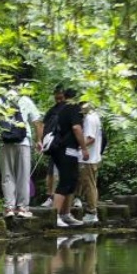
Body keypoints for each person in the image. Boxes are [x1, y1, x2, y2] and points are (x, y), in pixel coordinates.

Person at [0, 83, 43, 218]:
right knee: (23, 176)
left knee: (7, 176)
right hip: (23, 142)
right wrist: (38, 140)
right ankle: (22, 208)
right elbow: (37, 122)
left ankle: (9, 208)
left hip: (5, 143)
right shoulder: (25, 100)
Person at [54, 88, 88, 228]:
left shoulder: (59, 108)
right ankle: (54, 215)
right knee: (65, 181)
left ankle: (65, 214)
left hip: (65, 150)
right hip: (66, 149)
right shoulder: (73, 108)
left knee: (72, 180)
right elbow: (76, 128)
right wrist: (84, 147)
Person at [73, 102, 102, 224]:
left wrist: (78, 146)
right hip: (93, 157)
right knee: (90, 184)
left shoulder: (89, 119)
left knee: (88, 184)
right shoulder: (95, 116)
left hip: (88, 158)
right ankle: (90, 209)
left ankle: (91, 212)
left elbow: (90, 138)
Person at [39, 86, 67, 207]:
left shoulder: (70, 109)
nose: (59, 101)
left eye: (61, 98)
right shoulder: (52, 111)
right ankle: (50, 197)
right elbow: (43, 125)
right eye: (56, 99)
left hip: (67, 146)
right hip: (54, 146)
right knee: (51, 173)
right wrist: (41, 141)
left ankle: (74, 198)